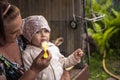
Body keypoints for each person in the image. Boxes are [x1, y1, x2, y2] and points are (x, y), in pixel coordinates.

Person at [0, 1, 52, 80]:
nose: (21, 32)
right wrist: (33, 71)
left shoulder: (24, 34)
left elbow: (53, 50)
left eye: (21, 25)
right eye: (14, 32)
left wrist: (64, 71)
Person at [22, 15, 84, 80]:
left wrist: (74, 57)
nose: (43, 35)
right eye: (37, 32)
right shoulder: (28, 54)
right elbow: (30, 75)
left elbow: (63, 63)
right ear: (29, 36)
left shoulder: (52, 47)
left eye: (46, 31)